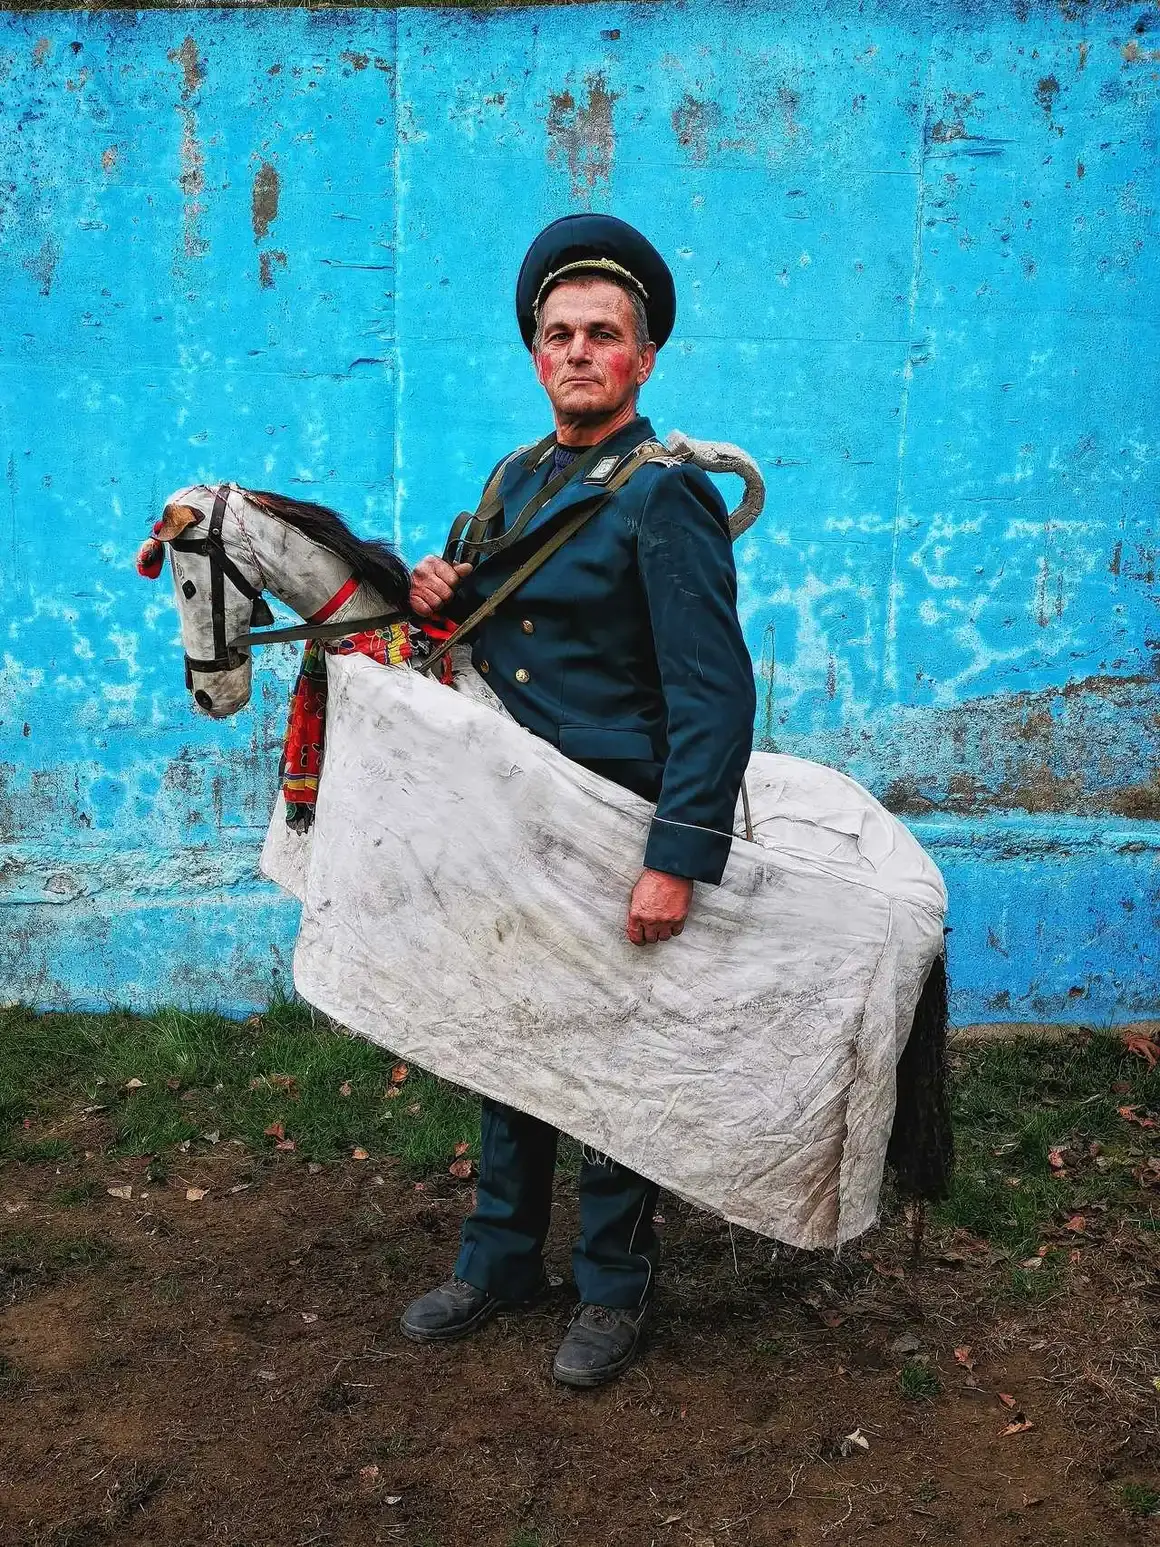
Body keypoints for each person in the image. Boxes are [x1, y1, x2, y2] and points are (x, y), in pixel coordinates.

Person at [400, 214, 756, 1388]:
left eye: (602, 334)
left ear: (641, 358)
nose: (577, 351)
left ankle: (611, 1281)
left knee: (612, 1064)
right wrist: (438, 589)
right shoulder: (513, 478)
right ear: (535, 353)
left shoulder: (665, 496)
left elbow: (712, 693)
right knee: (510, 1039)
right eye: (558, 334)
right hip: (514, 815)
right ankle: (499, 1256)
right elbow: (476, 631)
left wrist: (674, 856)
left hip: (611, 819)